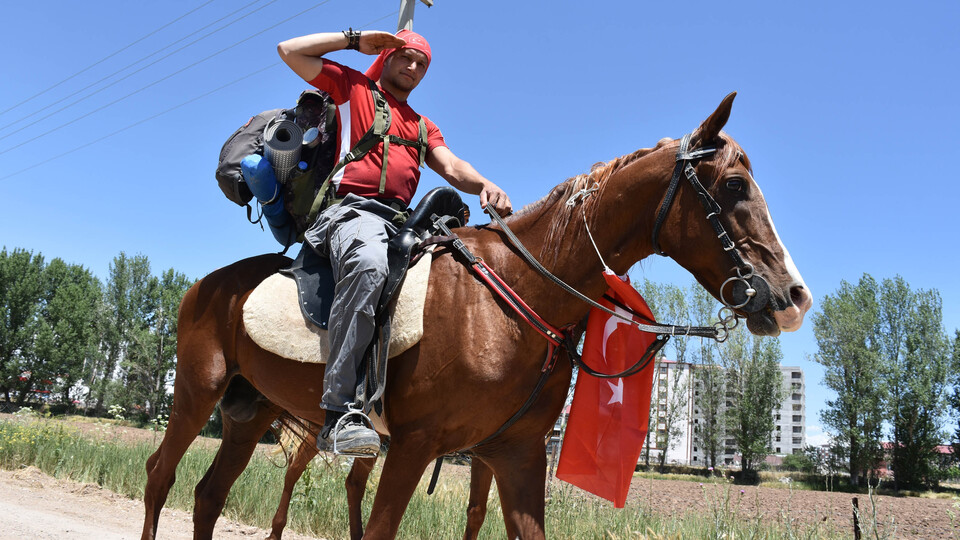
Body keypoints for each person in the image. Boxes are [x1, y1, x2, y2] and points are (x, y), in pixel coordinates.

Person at [277, 28, 512, 456]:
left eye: (422, 63)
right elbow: (288, 51)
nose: (414, 67)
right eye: (406, 57)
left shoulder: (423, 126)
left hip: (404, 224)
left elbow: (453, 166)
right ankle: (338, 412)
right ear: (387, 57)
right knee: (369, 265)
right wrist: (355, 40)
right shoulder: (353, 89)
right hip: (351, 213)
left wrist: (485, 184)